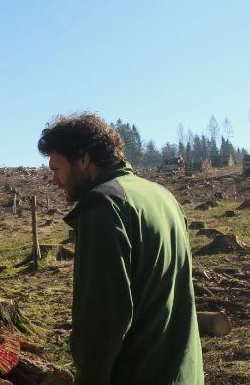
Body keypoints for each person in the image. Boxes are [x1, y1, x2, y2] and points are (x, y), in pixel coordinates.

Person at [38, 113, 204, 384]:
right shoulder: (164, 197)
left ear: (83, 159)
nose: (55, 181)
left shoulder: (103, 205)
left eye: (56, 169)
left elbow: (103, 317)